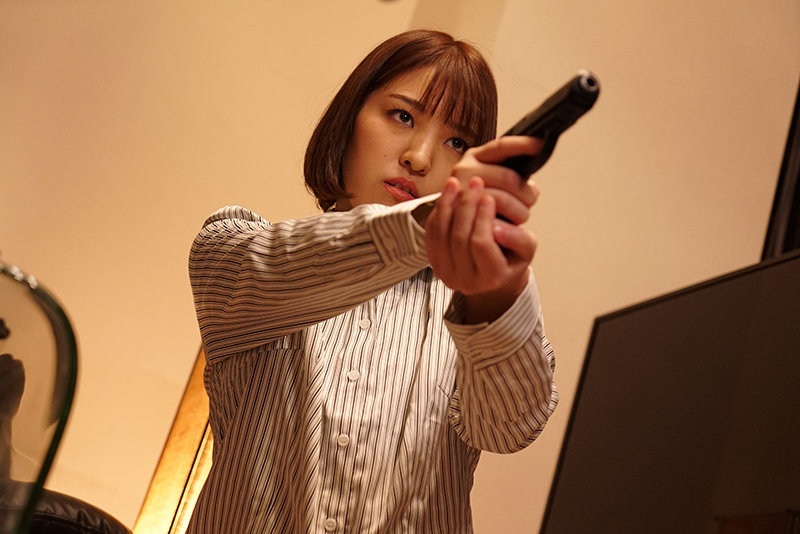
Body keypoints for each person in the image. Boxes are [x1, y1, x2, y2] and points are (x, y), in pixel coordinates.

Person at [188, 29, 558, 533]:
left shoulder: (472, 310)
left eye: (457, 142)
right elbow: (268, 268)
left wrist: (500, 292)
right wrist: (433, 222)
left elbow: (509, 428)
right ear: (349, 120)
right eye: (402, 116)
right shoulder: (237, 248)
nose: (419, 157)